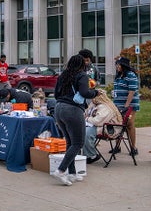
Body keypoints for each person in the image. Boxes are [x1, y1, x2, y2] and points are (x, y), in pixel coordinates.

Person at [51, 54, 98, 186]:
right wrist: (95, 93)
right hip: (72, 110)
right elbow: (84, 92)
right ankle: (60, 170)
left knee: (70, 142)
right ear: (81, 65)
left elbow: (55, 94)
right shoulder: (82, 75)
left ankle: (72, 173)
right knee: (78, 143)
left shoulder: (63, 76)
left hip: (58, 109)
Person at [82, 90, 123, 164]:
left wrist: (87, 118)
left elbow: (98, 121)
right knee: (79, 130)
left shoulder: (105, 107)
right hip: (100, 126)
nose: (91, 99)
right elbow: (86, 113)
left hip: (109, 129)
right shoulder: (95, 105)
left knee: (86, 132)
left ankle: (92, 155)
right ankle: (82, 155)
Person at [112, 57, 140, 156]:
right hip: (118, 105)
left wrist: (126, 106)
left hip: (130, 106)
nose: (117, 66)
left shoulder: (131, 75)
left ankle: (133, 148)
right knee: (118, 124)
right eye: (116, 64)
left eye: (119, 65)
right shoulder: (119, 76)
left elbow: (131, 92)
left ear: (124, 66)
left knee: (129, 124)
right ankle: (117, 146)